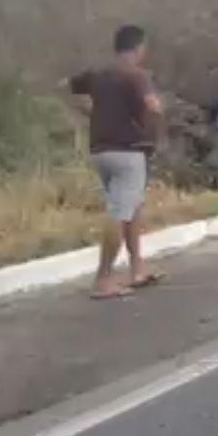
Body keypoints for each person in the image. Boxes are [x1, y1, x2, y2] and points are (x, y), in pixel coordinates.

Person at [68, 24, 166, 300]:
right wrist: (153, 133)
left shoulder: (99, 76)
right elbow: (153, 106)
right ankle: (103, 280)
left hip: (101, 152)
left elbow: (69, 88)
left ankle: (137, 270)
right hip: (128, 151)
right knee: (119, 213)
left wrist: (91, 113)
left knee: (131, 207)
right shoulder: (137, 77)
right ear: (139, 48)